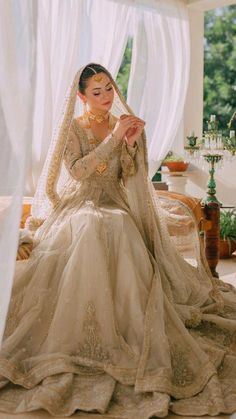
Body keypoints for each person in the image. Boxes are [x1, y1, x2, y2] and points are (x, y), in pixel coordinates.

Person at [0, 63, 236, 418]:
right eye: (96, 92)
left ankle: (129, 327)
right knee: (93, 225)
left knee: (118, 224)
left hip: (115, 202)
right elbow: (78, 171)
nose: (106, 98)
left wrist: (130, 145)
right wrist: (113, 140)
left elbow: (126, 174)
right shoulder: (73, 129)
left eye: (109, 89)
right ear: (81, 97)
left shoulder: (118, 123)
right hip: (80, 203)